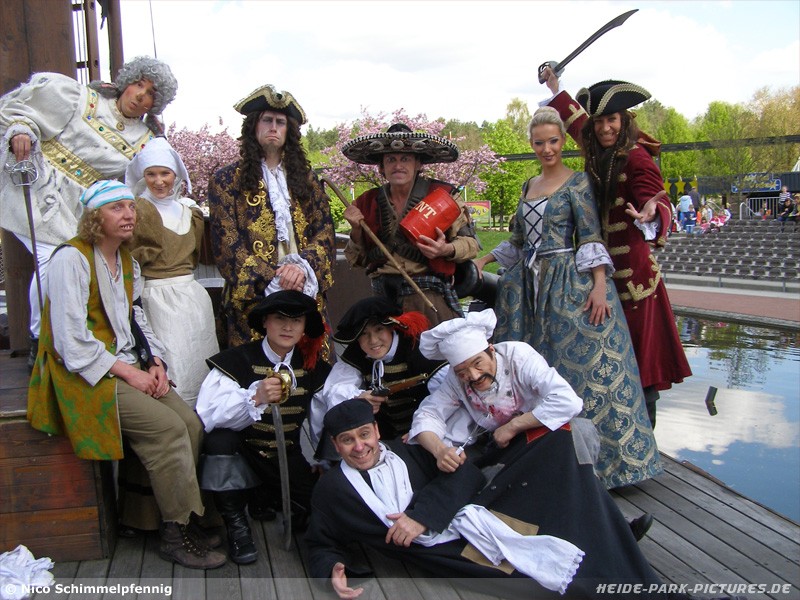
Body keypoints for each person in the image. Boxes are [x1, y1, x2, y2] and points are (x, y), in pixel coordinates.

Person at [27, 180, 225, 570]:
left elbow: (136, 319)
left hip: (128, 364)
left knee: (190, 423)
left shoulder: (126, 260)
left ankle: (154, 516)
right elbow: (70, 341)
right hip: (86, 375)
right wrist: (130, 375)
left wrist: (155, 362)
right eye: (116, 208)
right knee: (167, 430)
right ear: (94, 217)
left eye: (130, 207)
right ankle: (176, 533)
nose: (129, 214)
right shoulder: (72, 259)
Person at [474, 107, 661, 488]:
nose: (547, 149)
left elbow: (589, 236)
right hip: (527, 290)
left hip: (566, 281)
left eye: (553, 141)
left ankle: (603, 468)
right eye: (539, 143)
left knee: (582, 370)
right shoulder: (528, 185)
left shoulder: (577, 183)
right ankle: (536, 463)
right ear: (531, 144)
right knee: (525, 371)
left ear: (562, 141)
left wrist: (599, 286)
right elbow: (518, 241)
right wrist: (483, 260)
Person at [0, 57, 178, 366]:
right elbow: (22, 112)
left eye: (150, 93)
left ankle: (76, 338)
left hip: (79, 208)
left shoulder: (146, 139)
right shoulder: (82, 97)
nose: (140, 96)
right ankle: (38, 340)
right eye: (138, 85)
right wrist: (22, 131)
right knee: (53, 261)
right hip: (36, 188)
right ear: (127, 82)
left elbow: (147, 179)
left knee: (74, 263)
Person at [540, 68, 691, 426]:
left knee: (642, 364)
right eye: (599, 122)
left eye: (612, 120)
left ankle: (647, 438)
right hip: (601, 277)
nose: (605, 128)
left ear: (624, 121)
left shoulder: (636, 157)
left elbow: (657, 197)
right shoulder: (596, 151)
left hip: (634, 282)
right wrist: (556, 88)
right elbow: (576, 122)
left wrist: (652, 213)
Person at [195, 290, 331, 564]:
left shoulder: (312, 367)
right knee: (219, 441)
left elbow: (324, 418)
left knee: (319, 508)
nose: (288, 327)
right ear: (265, 322)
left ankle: (267, 496)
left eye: (296, 321)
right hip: (242, 454)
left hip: (286, 456)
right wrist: (255, 397)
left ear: (305, 327)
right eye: (280, 318)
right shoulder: (236, 360)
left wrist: (325, 462)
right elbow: (211, 415)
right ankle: (237, 525)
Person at [208, 84, 335, 349]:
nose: (274, 127)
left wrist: (301, 268)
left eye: (280, 122)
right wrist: (272, 277)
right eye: (267, 120)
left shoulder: (308, 181)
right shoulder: (226, 181)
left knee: (307, 365)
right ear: (254, 126)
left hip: (303, 287)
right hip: (254, 299)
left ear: (289, 131)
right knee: (256, 368)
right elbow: (227, 244)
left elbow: (324, 232)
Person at [341, 123, 479, 326]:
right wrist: (356, 230)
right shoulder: (366, 202)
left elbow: (471, 244)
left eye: (405, 159)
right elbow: (356, 260)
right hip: (382, 300)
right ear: (381, 167)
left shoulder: (443, 196)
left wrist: (445, 249)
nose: (398, 166)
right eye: (391, 160)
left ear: (418, 164)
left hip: (429, 298)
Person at [124, 136, 219, 407]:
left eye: (164, 173)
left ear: (175, 174)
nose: (158, 181)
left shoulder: (189, 211)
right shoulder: (138, 211)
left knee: (198, 361)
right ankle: (176, 417)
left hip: (192, 297)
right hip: (157, 298)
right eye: (151, 174)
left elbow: (195, 256)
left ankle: (206, 417)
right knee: (172, 363)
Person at [315, 296, 448, 446]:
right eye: (364, 333)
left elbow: (447, 397)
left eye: (379, 329)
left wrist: (424, 430)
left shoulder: (418, 348)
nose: (373, 340)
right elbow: (335, 390)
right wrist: (359, 399)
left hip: (427, 436)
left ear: (391, 327)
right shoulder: (356, 354)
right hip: (381, 441)